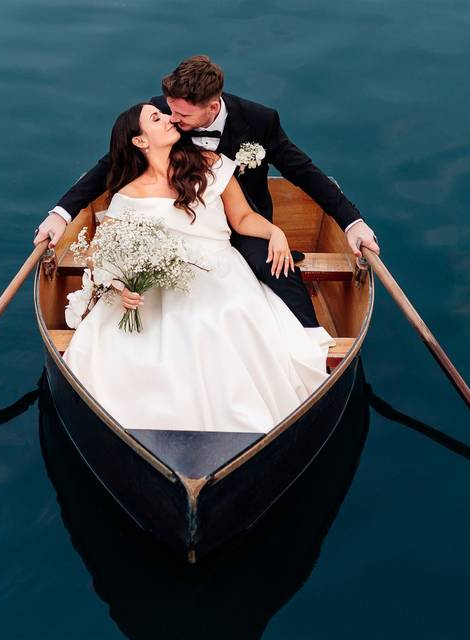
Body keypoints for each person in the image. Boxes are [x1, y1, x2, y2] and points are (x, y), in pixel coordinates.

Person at [35, 55, 380, 328]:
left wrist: (352, 223)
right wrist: (60, 214)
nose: (172, 119)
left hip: (241, 223)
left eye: (182, 115)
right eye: (168, 110)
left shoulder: (260, 121)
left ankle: (313, 341)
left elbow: (304, 172)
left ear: (212, 107)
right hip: (178, 228)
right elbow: (109, 165)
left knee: (279, 270)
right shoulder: (162, 114)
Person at [62, 103, 335, 433]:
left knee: (224, 318)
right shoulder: (127, 195)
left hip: (221, 271)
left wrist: (274, 232)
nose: (169, 119)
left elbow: (243, 218)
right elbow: (100, 254)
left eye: (166, 113)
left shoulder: (211, 164)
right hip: (162, 285)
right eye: (157, 118)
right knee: (153, 339)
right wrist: (122, 287)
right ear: (139, 142)